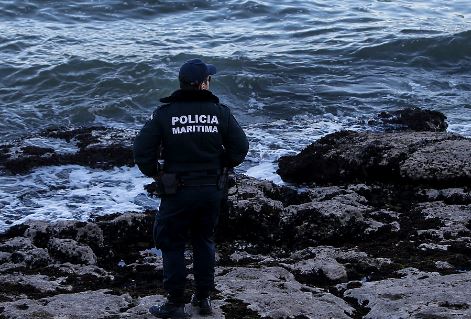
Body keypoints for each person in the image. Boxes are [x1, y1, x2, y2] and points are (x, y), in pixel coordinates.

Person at [133, 58, 249, 318]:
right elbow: (240, 148)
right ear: (203, 84)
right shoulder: (221, 112)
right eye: (209, 79)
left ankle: (175, 304)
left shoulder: (164, 114)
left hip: (177, 191)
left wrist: (157, 173)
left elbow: (141, 151)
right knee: (204, 240)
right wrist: (223, 164)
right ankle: (204, 299)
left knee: (172, 243)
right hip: (211, 190)